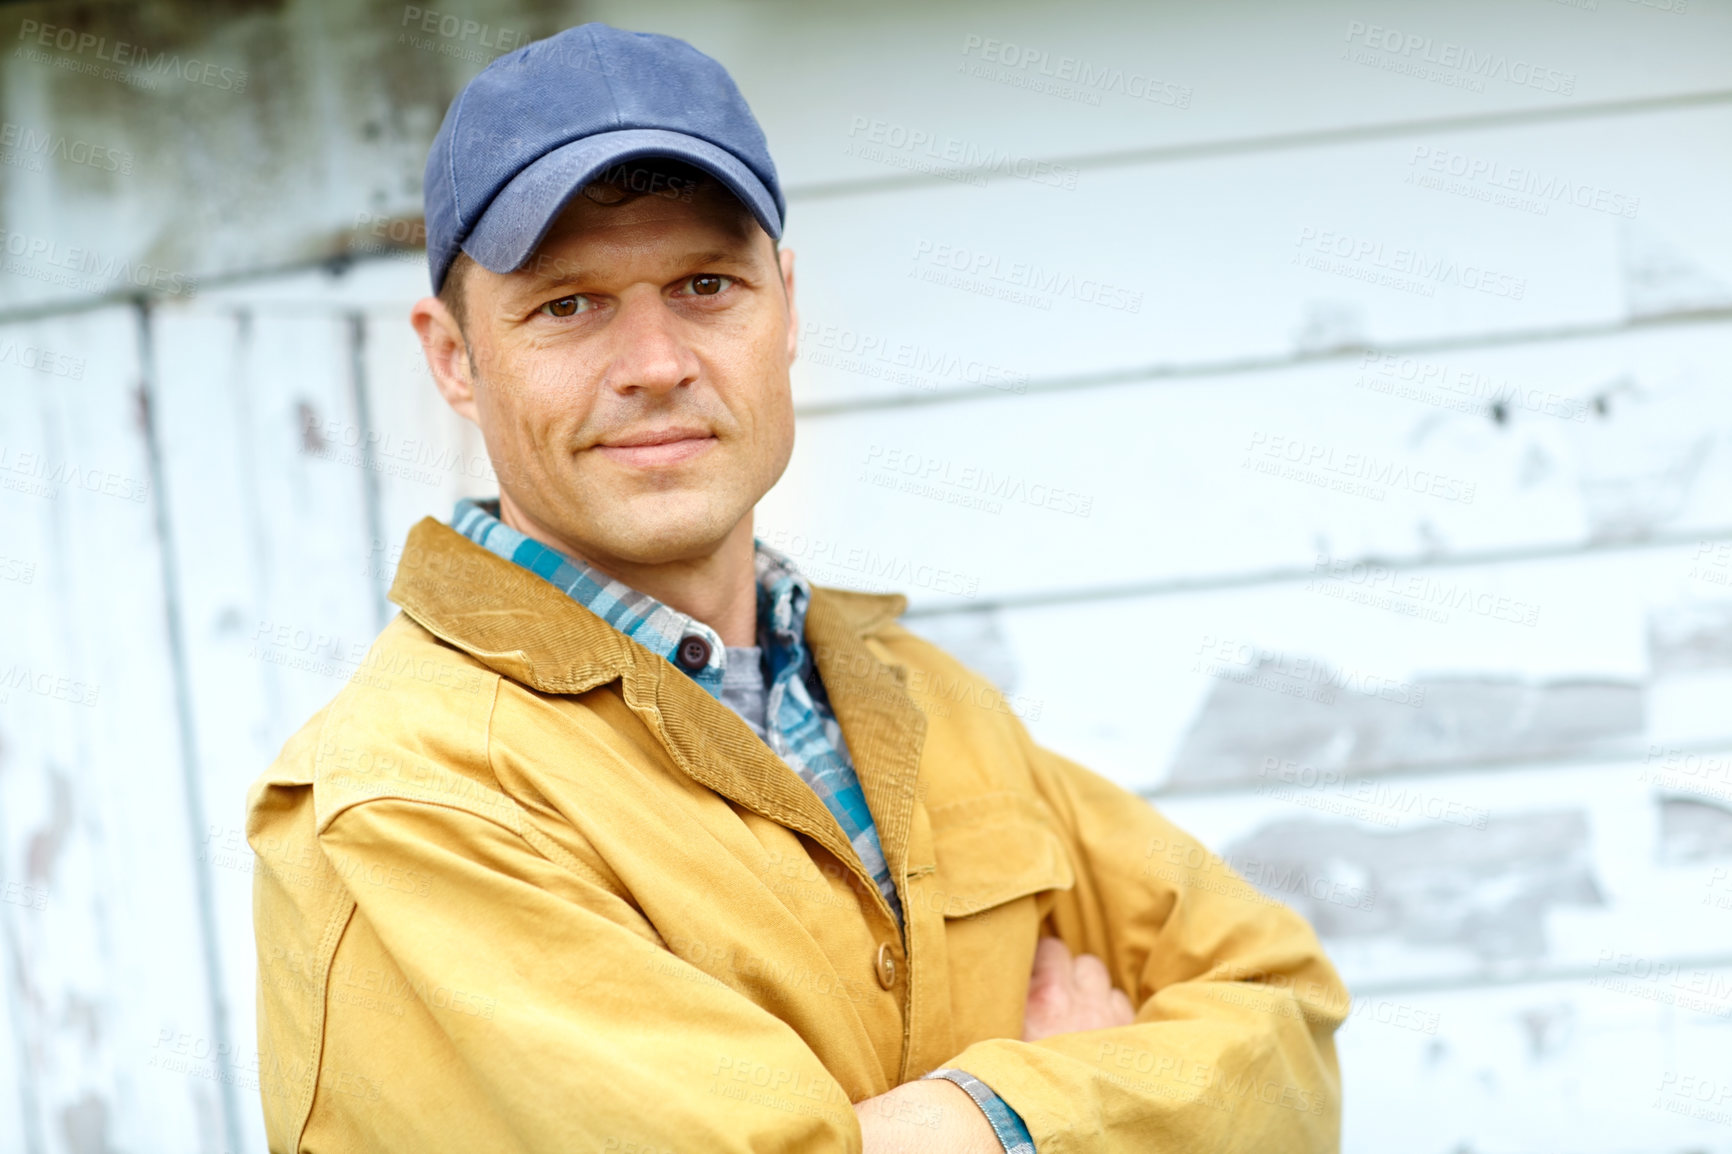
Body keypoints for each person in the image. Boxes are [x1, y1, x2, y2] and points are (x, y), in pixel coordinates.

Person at [247, 22, 1348, 1153]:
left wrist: (956, 1117)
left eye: (705, 284)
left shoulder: (923, 702)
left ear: (785, 304)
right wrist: (1063, 1105)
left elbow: (1286, 1021)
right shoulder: (409, 799)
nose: (656, 363)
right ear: (452, 357)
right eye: (567, 304)